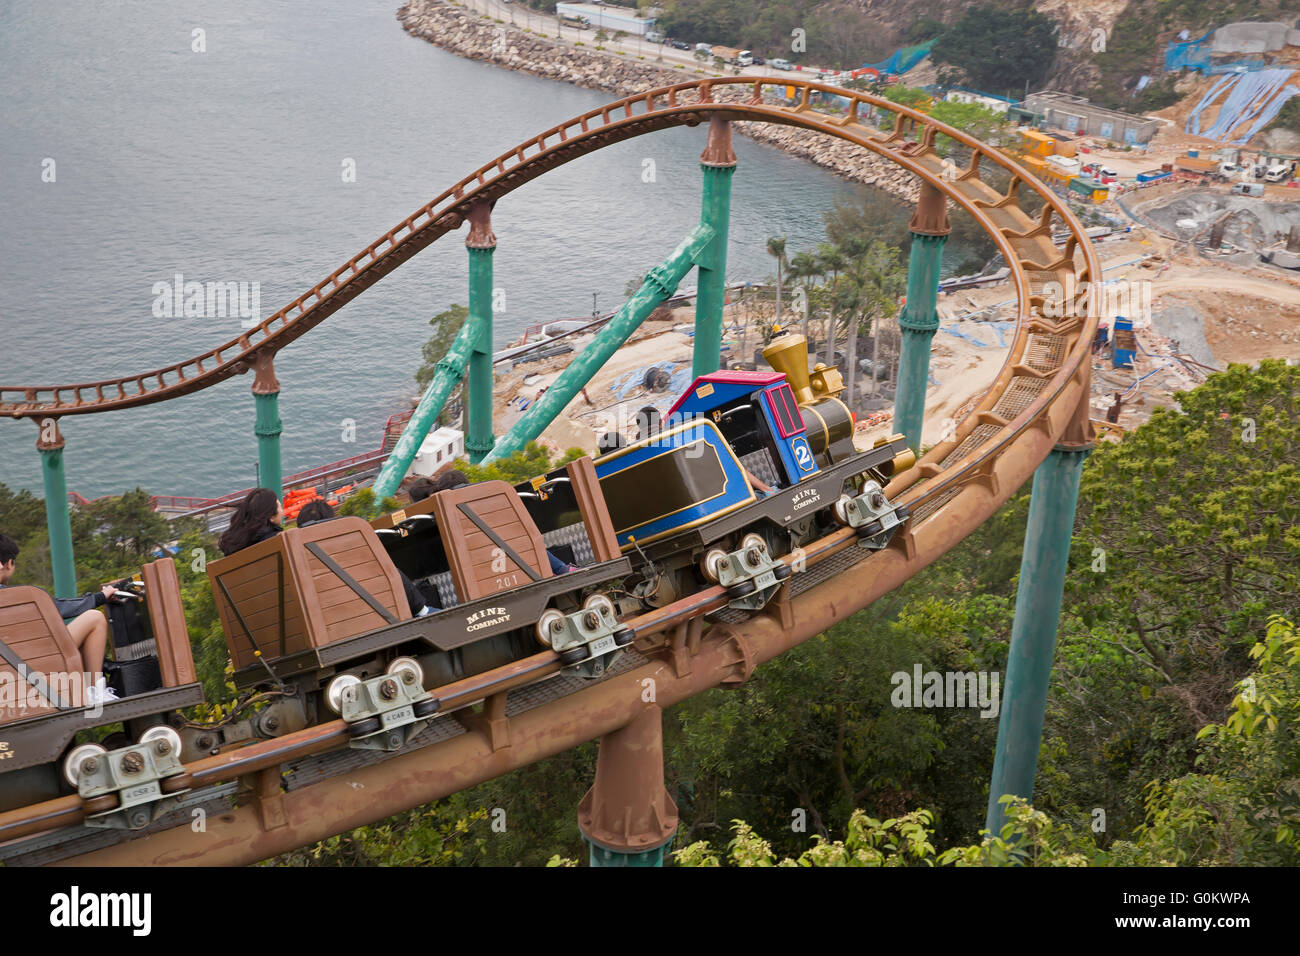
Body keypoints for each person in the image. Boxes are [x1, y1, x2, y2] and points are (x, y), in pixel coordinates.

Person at [0, 532, 121, 704]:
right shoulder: (16, 596)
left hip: (10, 675)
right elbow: (58, 608)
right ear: (6, 564)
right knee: (94, 618)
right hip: (34, 667)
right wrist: (100, 597)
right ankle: (95, 693)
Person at [218, 487, 283, 557]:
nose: (282, 511)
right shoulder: (278, 539)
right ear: (271, 517)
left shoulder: (234, 545)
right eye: (280, 507)